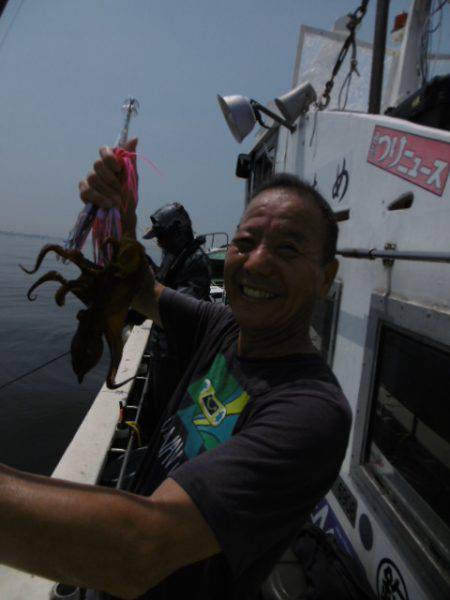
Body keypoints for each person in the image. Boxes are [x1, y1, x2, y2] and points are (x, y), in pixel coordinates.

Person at [0, 145, 351, 600]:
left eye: (287, 247)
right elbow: (141, 289)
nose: (258, 261)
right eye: (244, 243)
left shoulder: (309, 411)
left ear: (326, 277)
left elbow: (139, 548)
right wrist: (119, 213)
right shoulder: (223, 326)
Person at [128, 200, 212, 438]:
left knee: (167, 413)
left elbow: (180, 310)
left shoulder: (197, 262)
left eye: (162, 236)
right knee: (151, 409)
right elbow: (163, 282)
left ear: (178, 231)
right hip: (160, 348)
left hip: (177, 356)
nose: (159, 242)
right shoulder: (171, 254)